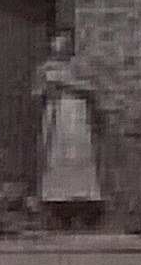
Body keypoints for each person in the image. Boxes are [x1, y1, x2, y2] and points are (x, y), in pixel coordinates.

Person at [35, 32, 103, 230]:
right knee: (56, 156)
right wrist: (46, 90)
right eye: (57, 47)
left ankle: (82, 204)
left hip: (75, 112)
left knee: (78, 156)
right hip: (56, 112)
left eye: (64, 46)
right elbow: (37, 92)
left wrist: (68, 84)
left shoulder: (79, 67)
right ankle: (58, 204)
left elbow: (91, 88)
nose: (60, 50)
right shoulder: (45, 68)